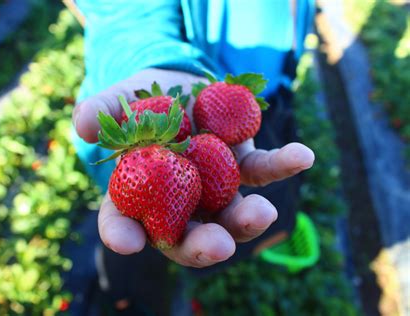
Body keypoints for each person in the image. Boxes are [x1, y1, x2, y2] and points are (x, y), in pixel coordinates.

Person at [68, 0, 315, 314]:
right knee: (135, 248)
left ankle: (202, 267)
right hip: (181, 75)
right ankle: (132, 298)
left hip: (269, 101)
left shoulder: (192, 157)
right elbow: (121, 10)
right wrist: (160, 62)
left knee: (252, 212)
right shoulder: (155, 160)